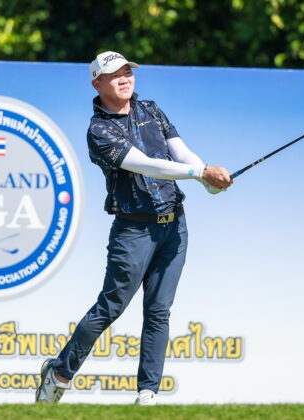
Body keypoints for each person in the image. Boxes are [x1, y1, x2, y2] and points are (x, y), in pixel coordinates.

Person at [35, 51, 233, 405]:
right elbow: (146, 165)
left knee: (158, 311)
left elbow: (181, 153)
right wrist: (201, 173)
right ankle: (59, 374)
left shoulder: (151, 110)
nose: (125, 78)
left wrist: (207, 181)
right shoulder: (99, 131)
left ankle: (147, 394)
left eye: (128, 72)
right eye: (115, 75)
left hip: (174, 226)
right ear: (97, 84)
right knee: (111, 306)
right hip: (133, 231)